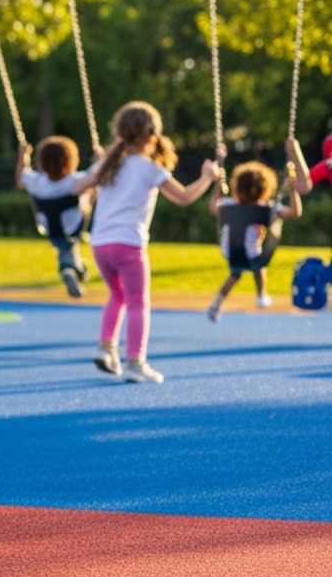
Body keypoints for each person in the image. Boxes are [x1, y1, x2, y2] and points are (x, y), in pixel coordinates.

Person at [71, 101, 218, 384]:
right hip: (129, 244)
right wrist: (207, 178)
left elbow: (79, 187)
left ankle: (106, 348)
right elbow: (185, 197)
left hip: (100, 244)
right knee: (138, 301)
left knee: (118, 295)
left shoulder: (109, 165)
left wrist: (94, 169)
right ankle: (136, 363)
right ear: (152, 134)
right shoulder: (150, 168)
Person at [207, 160, 300, 319]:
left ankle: (216, 303)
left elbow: (212, 208)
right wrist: (293, 190)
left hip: (231, 250)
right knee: (259, 268)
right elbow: (294, 213)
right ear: (264, 188)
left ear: (237, 186)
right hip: (254, 254)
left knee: (235, 274)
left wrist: (216, 185)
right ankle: (261, 295)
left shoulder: (228, 205)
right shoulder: (268, 208)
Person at [15, 135, 94, 298]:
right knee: (91, 193)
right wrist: (101, 158)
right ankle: (69, 269)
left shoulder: (37, 181)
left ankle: (77, 269)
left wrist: (23, 157)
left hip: (48, 227)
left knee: (66, 247)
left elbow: (21, 180)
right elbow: (97, 176)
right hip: (73, 226)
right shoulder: (74, 180)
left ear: (41, 162)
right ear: (71, 161)